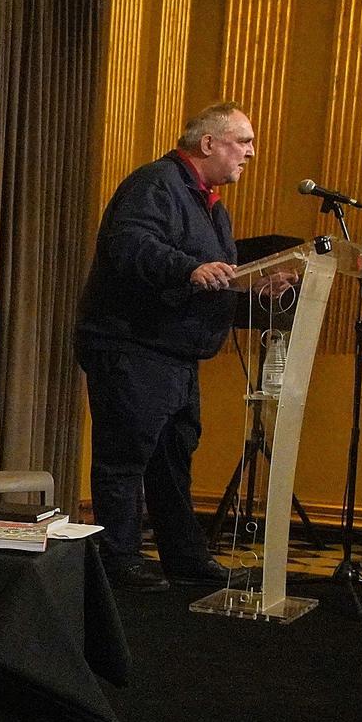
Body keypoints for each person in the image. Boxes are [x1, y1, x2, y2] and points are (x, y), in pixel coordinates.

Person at [76, 102, 254, 593]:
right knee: (125, 455)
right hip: (131, 345)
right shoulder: (156, 183)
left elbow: (216, 271)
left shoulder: (209, 203)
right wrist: (187, 269)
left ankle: (185, 558)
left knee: (173, 458)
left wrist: (255, 284)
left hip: (173, 350)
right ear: (209, 142)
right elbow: (129, 243)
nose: (249, 153)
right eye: (243, 141)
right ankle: (118, 561)